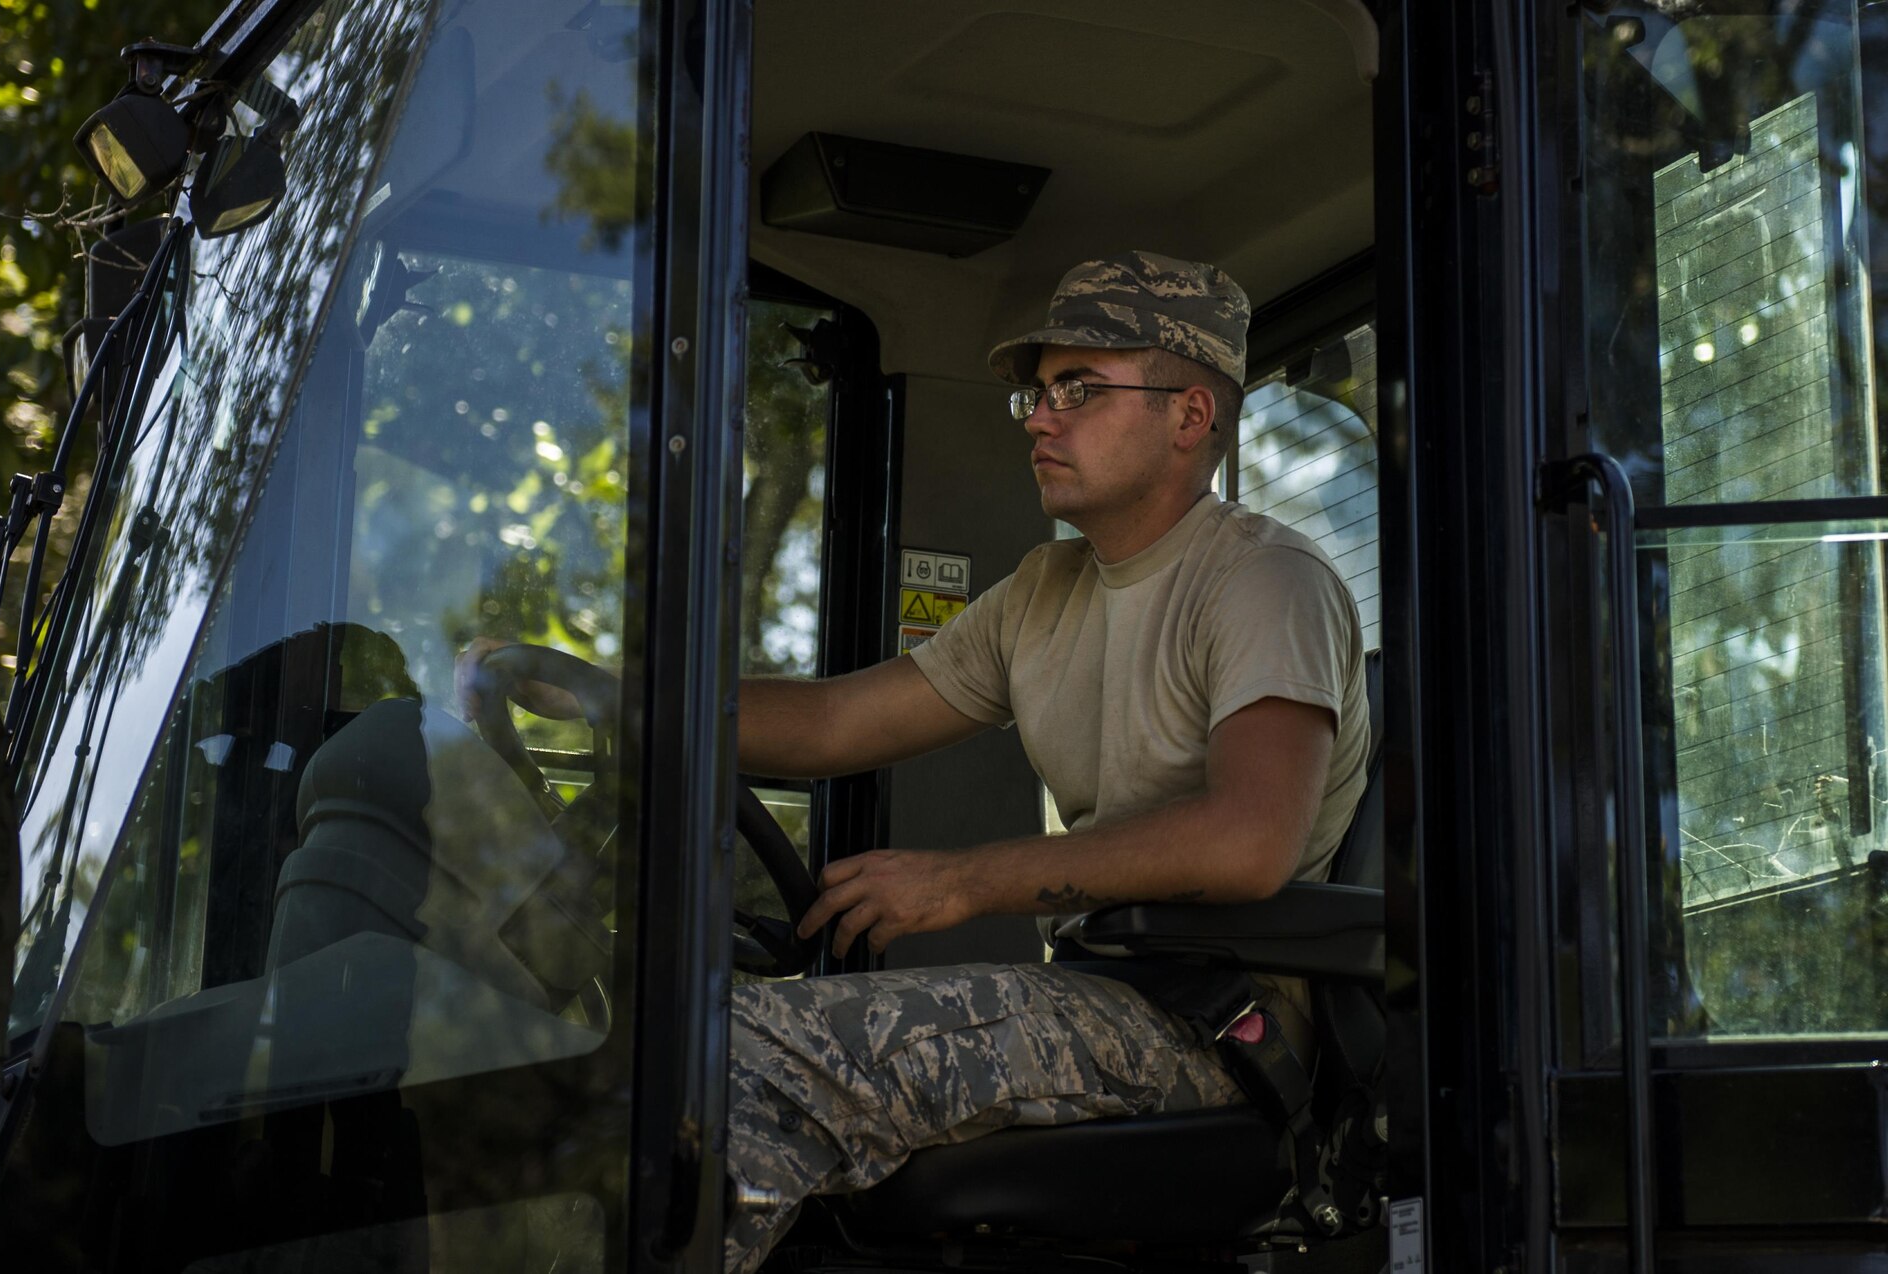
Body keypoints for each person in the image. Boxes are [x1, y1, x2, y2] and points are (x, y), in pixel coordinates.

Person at [467, 250, 1369, 1271]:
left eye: (1080, 389)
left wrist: (959, 879)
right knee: (640, 1040)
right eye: (1038, 390)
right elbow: (834, 724)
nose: (1038, 416)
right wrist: (621, 696)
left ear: (1188, 416)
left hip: (1212, 1031)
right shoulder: (1045, 590)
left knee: (721, 1055)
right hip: (1098, 995)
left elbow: (1249, 841)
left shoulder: (1264, 581)